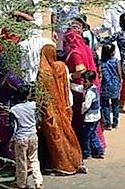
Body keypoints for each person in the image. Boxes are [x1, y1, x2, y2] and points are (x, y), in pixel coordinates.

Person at [37, 45, 83, 175]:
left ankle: (60, 164)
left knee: (53, 139)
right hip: (64, 107)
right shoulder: (61, 67)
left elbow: (41, 95)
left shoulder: (43, 72)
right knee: (67, 134)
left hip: (49, 111)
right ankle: (73, 161)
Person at [10, 85, 43, 189]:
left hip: (21, 137)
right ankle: (38, 182)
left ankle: (21, 183)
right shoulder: (34, 105)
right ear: (28, 95)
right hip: (33, 135)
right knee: (34, 159)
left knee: (21, 161)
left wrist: (12, 140)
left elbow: (14, 127)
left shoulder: (14, 109)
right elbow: (38, 119)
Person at [79, 70, 104, 160]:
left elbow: (86, 106)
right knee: (93, 134)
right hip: (96, 116)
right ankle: (99, 151)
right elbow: (78, 88)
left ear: (91, 81)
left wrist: (81, 112)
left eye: (85, 81)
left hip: (90, 118)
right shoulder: (93, 88)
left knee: (86, 136)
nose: (83, 83)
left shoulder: (90, 93)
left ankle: (87, 153)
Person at [99, 44, 122, 129]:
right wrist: (120, 82)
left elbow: (100, 74)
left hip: (105, 85)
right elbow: (119, 73)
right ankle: (115, 122)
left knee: (105, 105)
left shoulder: (101, 62)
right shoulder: (116, 61)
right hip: (115, 85)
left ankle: (108, 123)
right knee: (115, 104)